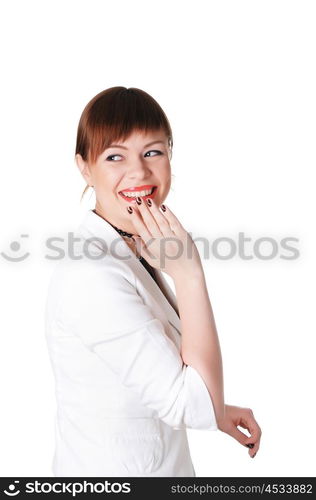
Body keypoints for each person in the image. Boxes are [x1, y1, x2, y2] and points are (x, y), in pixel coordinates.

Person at [45, 86, 261, 477]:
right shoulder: (91, 276)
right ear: (84, 167)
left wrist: (218, 411)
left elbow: (149, 371)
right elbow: (187, 405)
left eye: (153, 152)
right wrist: (189, 275)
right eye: (114, 156)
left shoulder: (130, 245)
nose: (140, 172)